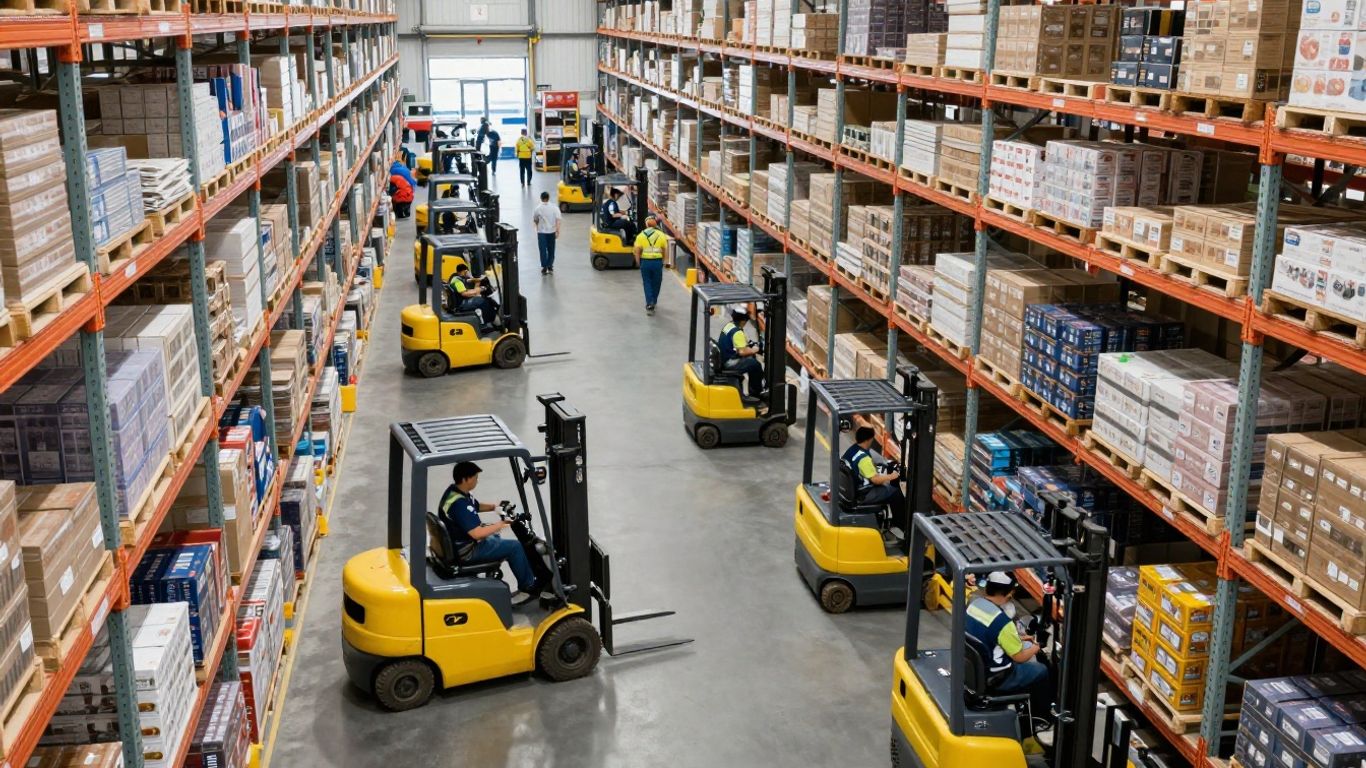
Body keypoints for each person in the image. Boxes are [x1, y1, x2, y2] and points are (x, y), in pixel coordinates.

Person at [437, 461, 545, 605]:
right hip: (468, 551)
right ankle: (529, 586)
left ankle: (496, 573)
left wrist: (495, 507)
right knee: (515, 547)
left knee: (495, 536)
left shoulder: (454, 493)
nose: (477, 480)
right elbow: (477, 534)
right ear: (465, 479)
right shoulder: (460, 504)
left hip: (458, 544)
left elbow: (475, 506)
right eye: (475, 477)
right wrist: (501, 524)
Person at [966, 572, 1055, 723]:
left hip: (975, 667)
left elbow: (987, 632)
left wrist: (1020, 638)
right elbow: (1019, 657)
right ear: (1010, 593)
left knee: (1026, 645)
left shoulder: (974, 604)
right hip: (998, 677)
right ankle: (1041, 717)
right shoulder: (1003, 622)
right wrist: (1039, 645)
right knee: (1041, 670)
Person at [841, 426, 906, 513]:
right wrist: (892, 476)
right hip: (863, 494)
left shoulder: (853, 449)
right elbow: (876, 480)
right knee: (895, 492)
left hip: (852, 489)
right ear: (868, 440)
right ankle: (899, 520)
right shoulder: (864, 459)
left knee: (886, 485)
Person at [718, 306, 764, 400]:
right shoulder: (737, 332)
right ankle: (755, 394)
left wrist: (750, 344)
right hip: (729, 362)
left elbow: (740, 342)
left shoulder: (729, 325)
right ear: (743, 321)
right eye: (746, 321)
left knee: (750, 359)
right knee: (755, 365)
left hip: (724, 357)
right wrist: (755, 350)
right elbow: (742, 352)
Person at [633, 215, 669, 315]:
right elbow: (664, 250)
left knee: (647, 282)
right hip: (657, 262)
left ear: (646, 224)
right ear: (655, 224)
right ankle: (654, 300)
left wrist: (638, 262)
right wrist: (664, 261)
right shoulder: (661, 235)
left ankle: (650, 303)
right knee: (657, 282)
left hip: (645, 262)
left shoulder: (641, 235)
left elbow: (637, 251)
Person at [532, 191, 561, 275]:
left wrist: (537, 226)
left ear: (541, 198)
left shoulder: (538, 208)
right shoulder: (554, 207)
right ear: (548, 198)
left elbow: (535, 219)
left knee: (542, 250)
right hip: (551, 232)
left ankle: (544, 267)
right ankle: (550, 266)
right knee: (551, 249)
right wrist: (557, 230)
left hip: (541, 232)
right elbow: (558, 220)